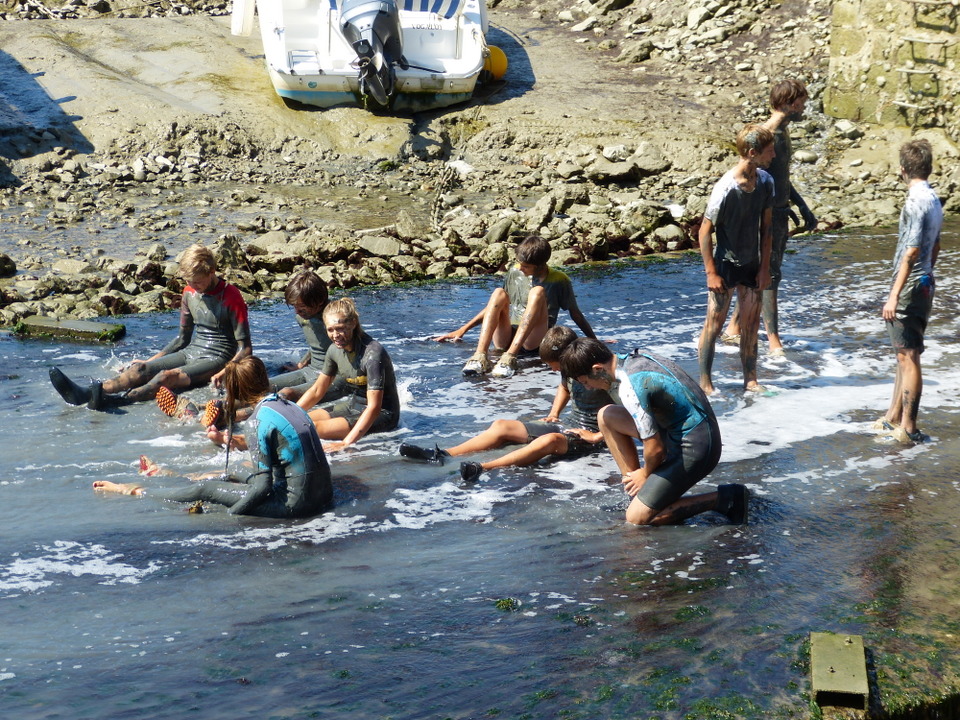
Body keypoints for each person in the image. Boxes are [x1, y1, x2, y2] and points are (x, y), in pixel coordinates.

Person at [94, 356, 333, 518]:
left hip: (295, 506)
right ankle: (169, 475)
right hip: (324, 496)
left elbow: (262, 487)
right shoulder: (291, 406)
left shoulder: (257, 421)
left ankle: (132, 490)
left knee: (205, 490)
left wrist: (232, 515)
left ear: (237, 390)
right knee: (234, 472)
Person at [559, 338, 748, 526]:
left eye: (585, 382)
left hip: (697, 448)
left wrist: (645, 473)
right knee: (606, 416)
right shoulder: (631, 359)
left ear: (598, 369)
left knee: (636, 519)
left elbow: (655, 449)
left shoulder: (630, 387)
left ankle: (727, 498)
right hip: (688, 429)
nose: (588, 388)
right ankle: (638, 494)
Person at [399, 326, 613, 481]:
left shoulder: (599, 373)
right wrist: (554, 413)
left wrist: (597, 436)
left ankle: (483, 467)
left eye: (554, 365)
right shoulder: (571, 369)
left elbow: (626, 413)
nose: (553, 369)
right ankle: (444, 454)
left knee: (550, 440)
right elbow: (564, 387)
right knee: (502, 425)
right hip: (571, 423)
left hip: (597, 435)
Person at [50, 244, 252, 410]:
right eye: (189, 281)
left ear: (212, 272)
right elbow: (182, 339)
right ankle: (86, 393)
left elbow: (245, 348)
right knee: (140, 369)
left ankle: (116, 401)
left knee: (166, 377)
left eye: (197, 282)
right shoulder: (189, 293)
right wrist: (150, 361)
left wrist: (226, 371)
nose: (193, 286)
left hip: (217, 358)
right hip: (191, 351)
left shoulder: (232, 296)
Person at [723, 79, 818, 356]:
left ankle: (733, 328)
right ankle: (773, 339)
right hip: (766, 215)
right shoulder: (767, 136)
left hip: (779, 211)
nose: (804, 108)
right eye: (801, 103)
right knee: (770, 274)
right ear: (788, 103)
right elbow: (750, 176)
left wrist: (801, 206)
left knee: (761, 273)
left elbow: (780, 177)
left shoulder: (783, 132)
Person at [433, 235, 597, 378]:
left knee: (537, 291)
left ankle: (510, 357)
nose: (521, 268)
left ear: (540, 265)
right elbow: (495, 306)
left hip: (535, 340)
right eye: (520, 264)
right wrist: (463, 329)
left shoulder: (559, 280)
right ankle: (479, 356)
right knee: (499, 292)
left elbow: (575, 313)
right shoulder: (515, 272)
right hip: (508, 335)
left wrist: (594, 342)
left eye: (526, 266)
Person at [697, 124, 775, 394]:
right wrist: (711, 273)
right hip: (725, 265)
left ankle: (750, 380)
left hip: (752, 264)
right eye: (770, 150)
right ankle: (705, 382)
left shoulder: (766, 181)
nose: (774, 155)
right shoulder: (725, 188)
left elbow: (767, 229)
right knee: (714, 324)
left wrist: (764, 268)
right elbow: (704, 231)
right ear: (753, 153)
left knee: (751, 325)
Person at [874, 139, 942, 444]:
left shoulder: (915, 201)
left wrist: (894, 294)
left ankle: (909, 427)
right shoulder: (934, 198)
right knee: (904, 353)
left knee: (908, 356)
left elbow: (912, 250)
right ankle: (893, 417)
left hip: (911, 283)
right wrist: (927, 273)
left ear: (903, 169)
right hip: (925, 281)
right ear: (928, 168)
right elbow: (935, 246)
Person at [296, 297, 400, 451]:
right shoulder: (334, 350)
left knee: (312, 430)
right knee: (297, 424)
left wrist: (346, 443)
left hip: (382, 415)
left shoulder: (372, 354)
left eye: (340, 328)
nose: (335, 335)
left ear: (353, 323)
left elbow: (374, 407)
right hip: (353, 405)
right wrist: (290, 414)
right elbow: (317, 390)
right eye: (330, 330)